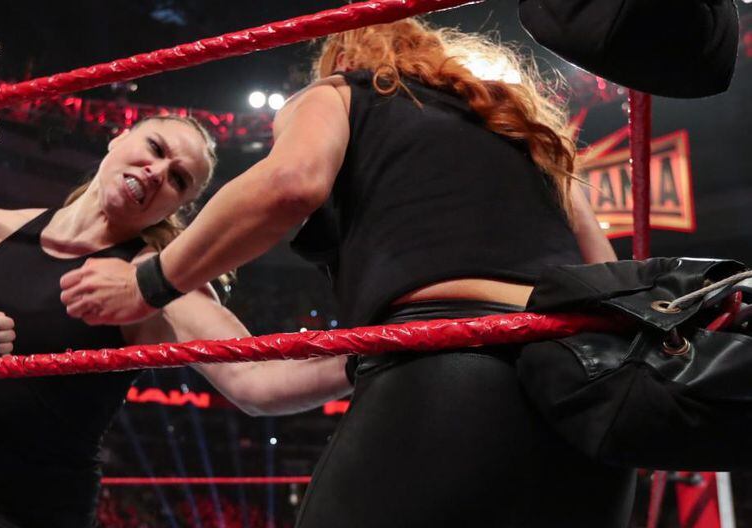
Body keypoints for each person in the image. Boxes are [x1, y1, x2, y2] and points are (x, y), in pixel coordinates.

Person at [72, 19, 636, 528]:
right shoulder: (520, 128)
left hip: (454, 361)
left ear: (342, 57)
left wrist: (149, 283)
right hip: (588, 388)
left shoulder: (342, 90)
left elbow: (291, 183)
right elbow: (605, 273)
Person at [0, 115, 352, 528]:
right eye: (155, 148)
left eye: (178, 179)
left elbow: (257, 381)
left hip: (42, 514)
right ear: (118, 138)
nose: (157, 171)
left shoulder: (150, 284)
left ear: (177, 207)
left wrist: (373, 350)